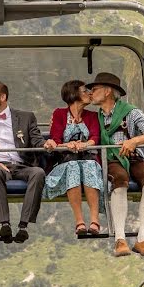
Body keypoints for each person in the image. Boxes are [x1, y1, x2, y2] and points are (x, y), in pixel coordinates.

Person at [88, 72, 144, 258]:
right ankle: (120, 239)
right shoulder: (94, 118)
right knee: (119, 179)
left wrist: (134, 141)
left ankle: (143, 238)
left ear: (107, 92)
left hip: (132, 156)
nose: (91, 93)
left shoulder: (130, 112)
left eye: (95, 89)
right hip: (111, 159)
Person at [0, 80, 47, 243]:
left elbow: (36, 138)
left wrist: (45, 144)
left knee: (38, 173)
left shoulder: (25, 117)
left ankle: (24, 225)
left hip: (21, 164)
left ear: (2, 97)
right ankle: (4, 223)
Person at [42, 80, 104, 236]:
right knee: (73, 167)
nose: (89, 94)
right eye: (85, 91)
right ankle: (79, 221)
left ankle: (95, 220)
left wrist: (85, 144)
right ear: (74, 94)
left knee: (89, 165)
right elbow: (55, 139)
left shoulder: (92, 116)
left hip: (87, 157)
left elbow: (95, 136)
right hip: (66, 160)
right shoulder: (59, 114)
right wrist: (66, 145)